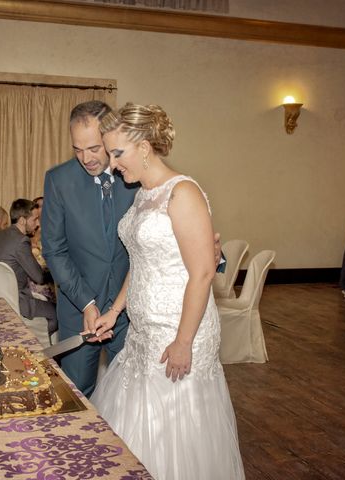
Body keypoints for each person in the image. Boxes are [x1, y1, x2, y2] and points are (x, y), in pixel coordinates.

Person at [89, 103, 244, 480]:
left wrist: (184, 341)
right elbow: (140, 264)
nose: (112, 164)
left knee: (173, 431)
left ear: (144, 147)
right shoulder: (143, 194)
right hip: (144, 334)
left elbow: (204, 272)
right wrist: (115, 311)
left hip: (177, 332)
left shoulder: (183, 192)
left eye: (117, 153)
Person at [41, 101, 138, 397]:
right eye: (77, 149)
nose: (86, 158)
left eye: (94, 148)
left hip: (130, 309)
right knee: (76, 396)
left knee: (132, 394)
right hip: (78, 308)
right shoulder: (59, 180)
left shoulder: (135, 176)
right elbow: (54, 250)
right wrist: (86, 302)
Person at [0, 199, 58, 334]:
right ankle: (34, 347)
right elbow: (39, 278)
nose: (37, 224)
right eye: (35, 219)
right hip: (17, 301)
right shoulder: (21, 240)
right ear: (22, 220)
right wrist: (54, 270)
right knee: (57, 313)